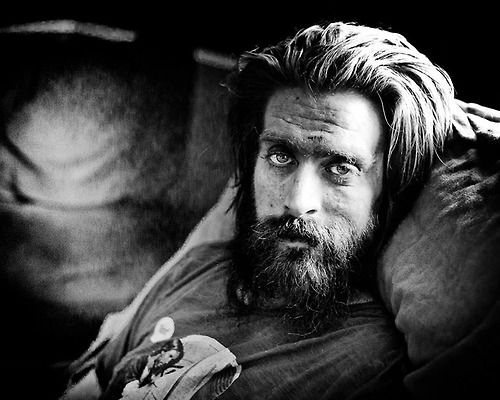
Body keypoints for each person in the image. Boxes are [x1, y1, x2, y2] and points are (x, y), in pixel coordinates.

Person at [62, 21, 496, 400]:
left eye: (340, 168)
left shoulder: (375, 365)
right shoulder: (199, 267)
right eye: (281, 156)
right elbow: (93, 385)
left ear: (390, 185)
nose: (298, 202)